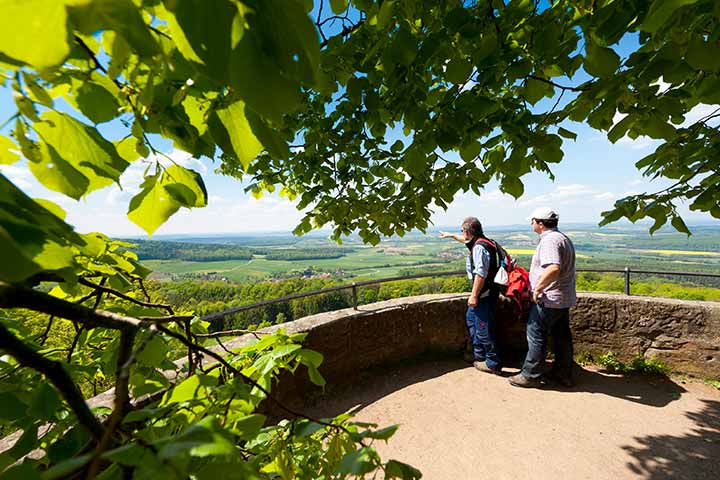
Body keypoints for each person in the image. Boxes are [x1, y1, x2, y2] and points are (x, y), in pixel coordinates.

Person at [509, 207, 576, 388]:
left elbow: (553, 267)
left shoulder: (550, 241)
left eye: (532, 221)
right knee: (562, 336)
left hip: (549, 298)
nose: (531, 224)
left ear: (539, 223)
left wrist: (537, 288)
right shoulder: (562, 238)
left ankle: (530, 375)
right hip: (563, 298)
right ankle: (563, 373)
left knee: (536, 333)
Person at [440, 217, 501, 375]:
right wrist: (451, 235)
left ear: (468, 231)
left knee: (484, 328)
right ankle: (478, 355)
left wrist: (474, 296)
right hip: (487, 293)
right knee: (471, 320)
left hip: (484, 294)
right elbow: (465, 241)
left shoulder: (479, 247)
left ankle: (492, 363)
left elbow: (481, 273)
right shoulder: (483, 241)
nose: (462, 233)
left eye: (462, 231)